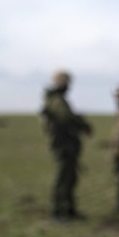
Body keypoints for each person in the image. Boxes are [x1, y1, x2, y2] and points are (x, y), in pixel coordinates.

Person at [40, 70, 92, 222]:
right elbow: (66, 119)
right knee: (63, 179)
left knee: (70, 178)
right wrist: (81, 124)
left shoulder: (58, 99)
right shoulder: (56, 100)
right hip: (63, 145)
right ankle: (58, 212)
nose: (69, 86)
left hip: (67, 144)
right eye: (67, 82)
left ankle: (68, 210)